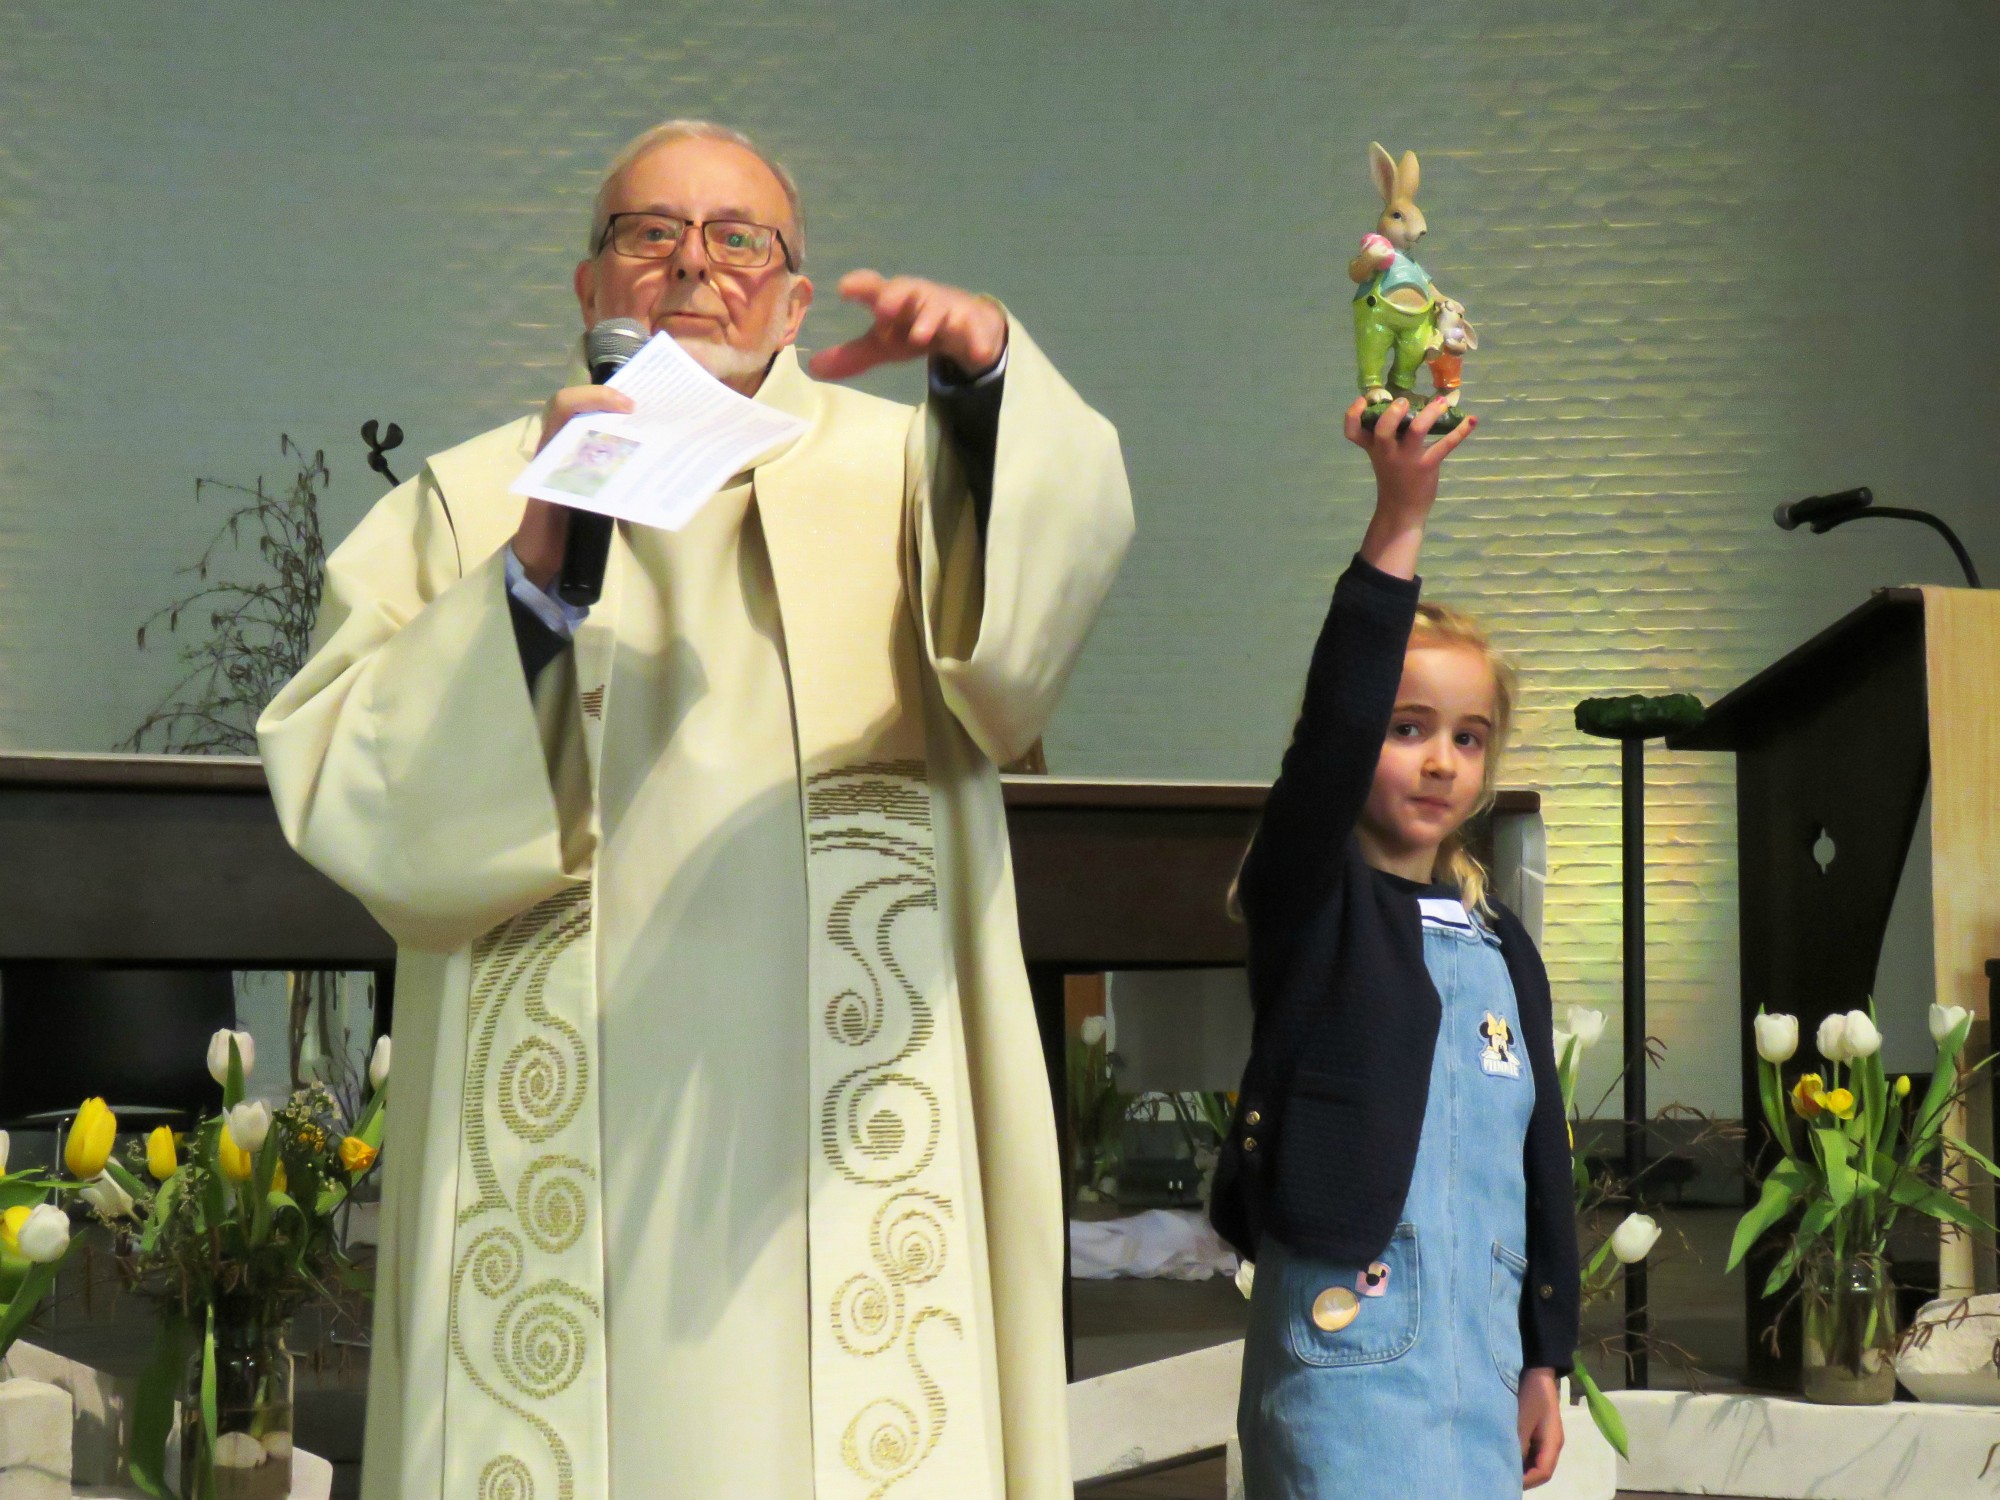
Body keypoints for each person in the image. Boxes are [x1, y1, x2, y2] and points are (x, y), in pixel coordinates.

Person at [258, 119, 1132, 1500]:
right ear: (588, 287)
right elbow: (357, 792)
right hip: (569, 1146)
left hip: (840, 1140)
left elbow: (1027, 636)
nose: (690, 266)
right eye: (647, 233)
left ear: (794, 296)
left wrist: (991, 380)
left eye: (738, 239)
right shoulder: (469, 497)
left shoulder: (909, 470)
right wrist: (533, 573)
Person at [1209, 395, 1578, 1497]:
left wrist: (1544, 1354)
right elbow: (1330, 732)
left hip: (1479, 1363)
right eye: (1405, 727)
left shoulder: (1500, 943)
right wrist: (1398, 517)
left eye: (1466, 739)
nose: (1437, 762)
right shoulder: (1314, 904)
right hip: (1349, 1360)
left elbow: (1540, 1160)